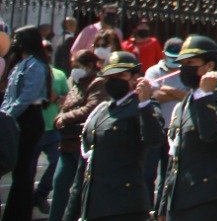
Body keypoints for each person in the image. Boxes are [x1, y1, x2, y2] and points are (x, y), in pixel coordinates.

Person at [66, 50, 164, 221]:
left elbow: (154, 139)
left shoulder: (143, 107)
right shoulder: (101, 111)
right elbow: (84, 168)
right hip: (94, 206)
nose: (114, 80)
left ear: (135, 77)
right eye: (110, 76)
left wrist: (145, 102)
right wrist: (70, 214)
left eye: (121, 75)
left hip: (125, 207)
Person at [155, 34, 217, 221]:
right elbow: (175, 155)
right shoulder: (185, 103)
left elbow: (211, 133)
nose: (184, 68)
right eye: (182, 63)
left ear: (209, 66)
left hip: (209, 199)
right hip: (180, 200)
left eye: (191, 62)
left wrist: (205, 94)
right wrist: (163, 204)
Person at [3, 25, 52, 221]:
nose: (13, 42)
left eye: (17, 38)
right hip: (15, 116)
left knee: (23, 169)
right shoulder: (20, 64)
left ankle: (18, 214)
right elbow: (10, 94)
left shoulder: (36, 65)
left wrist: (8, 114)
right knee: (15, 167)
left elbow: (27, 95)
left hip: (28, 117)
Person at [50, 50, 105, 221]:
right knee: (59, 185)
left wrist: (64, 117)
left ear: (89, 66)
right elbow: (66, 104)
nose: (74, 69)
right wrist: (61, 114)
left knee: (78, 190)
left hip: (80, 145)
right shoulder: (76, 83)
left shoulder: (97, 83)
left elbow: (92, 107)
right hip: (66, 143)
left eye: (77, 66)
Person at [145, 38, 191, 194]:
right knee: (148, 173)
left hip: (176, 130)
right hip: (157, 128)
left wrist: (167, 89)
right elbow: (154, 96)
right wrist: (177, 93)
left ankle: (161, 210)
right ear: (164, 54)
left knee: (169, 173)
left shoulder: (187, 72)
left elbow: (189, 96)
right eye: (171, 57)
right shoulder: (153, 71)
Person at [33, 40, 69, 216]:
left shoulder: (59, 75)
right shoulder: (31, 72)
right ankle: (25, 199)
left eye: (49, 50)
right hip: (34, 129)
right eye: (43, 50)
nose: (47, 53)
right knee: (28, 167)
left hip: (52, 128)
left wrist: (56, 98)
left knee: (56, 162)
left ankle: (40, 194)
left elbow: (67, 98)